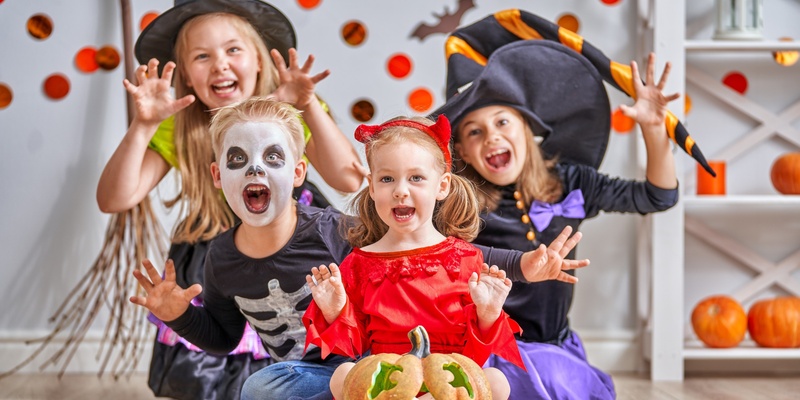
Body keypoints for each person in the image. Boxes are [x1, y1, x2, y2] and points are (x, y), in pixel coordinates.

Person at [130, 97, 589, 400]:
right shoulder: (222, 258)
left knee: (493, 383)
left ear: (297, 173)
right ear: (218, 176)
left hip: (387, 367)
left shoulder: (340, 234)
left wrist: (528, 264)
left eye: (272, 158)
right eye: (238, 160)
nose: (254, 170)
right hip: (330, 373)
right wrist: (177, 315)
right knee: (262, 386)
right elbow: (225, 336)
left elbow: (460, 258)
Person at [430, 9, 706, 400]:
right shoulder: (456, 203)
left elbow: (658, 196)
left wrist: (653, 128)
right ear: (462, 152)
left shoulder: (571, 183)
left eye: (503, 122)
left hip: (555, 345)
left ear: (527, 129)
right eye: (475, 131)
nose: (492, 136)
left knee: (571, 384)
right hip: (485, 348)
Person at [97, 1, 365, 398]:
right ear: (186, 74)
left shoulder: (289, 114)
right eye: (202, 56)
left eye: (233, 50)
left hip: (296, 249)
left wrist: (304, 105)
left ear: (259, 60)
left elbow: (350, 178)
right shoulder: (179, 126)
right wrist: (145, 124)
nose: (220, 65)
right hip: (216, 258)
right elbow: (115, 198)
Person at [302, 115, 530, 399]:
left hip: (447, 378)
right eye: (387, 179)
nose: (400, 190)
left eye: (416, 178)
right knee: (342, 375)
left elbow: (475, 357)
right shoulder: (359, 263)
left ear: (442, 186)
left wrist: (488, 313)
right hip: (390, 380)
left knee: (496, 381)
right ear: (372, 187)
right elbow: (354, 346)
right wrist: (335, 309)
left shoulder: (464, 258)